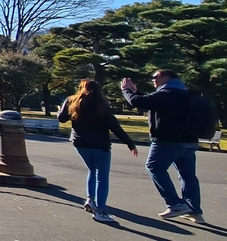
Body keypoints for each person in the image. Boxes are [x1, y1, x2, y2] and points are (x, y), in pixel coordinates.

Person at [122, 69, 204, 224]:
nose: (153, 79)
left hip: (168, 141)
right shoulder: (184, 94)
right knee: (187, 176)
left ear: (168, 78)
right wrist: (136, 91)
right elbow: (149, 101)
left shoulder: (168, 93)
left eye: (156, 77)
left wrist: (126, 90)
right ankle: (194, 210)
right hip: (189, 141)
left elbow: (138, 102)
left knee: (154, 167)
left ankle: (175, 204)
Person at [58, 80, 138, 223]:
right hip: (100, 144)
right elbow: (115, 127)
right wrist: (130, 143)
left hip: (80, 143)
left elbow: (62, 119)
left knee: (92, 170)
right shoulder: (102, 105)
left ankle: (90, 199)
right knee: (102, 177)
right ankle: (100, 211)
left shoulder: (72, 101)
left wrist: (61, 109)